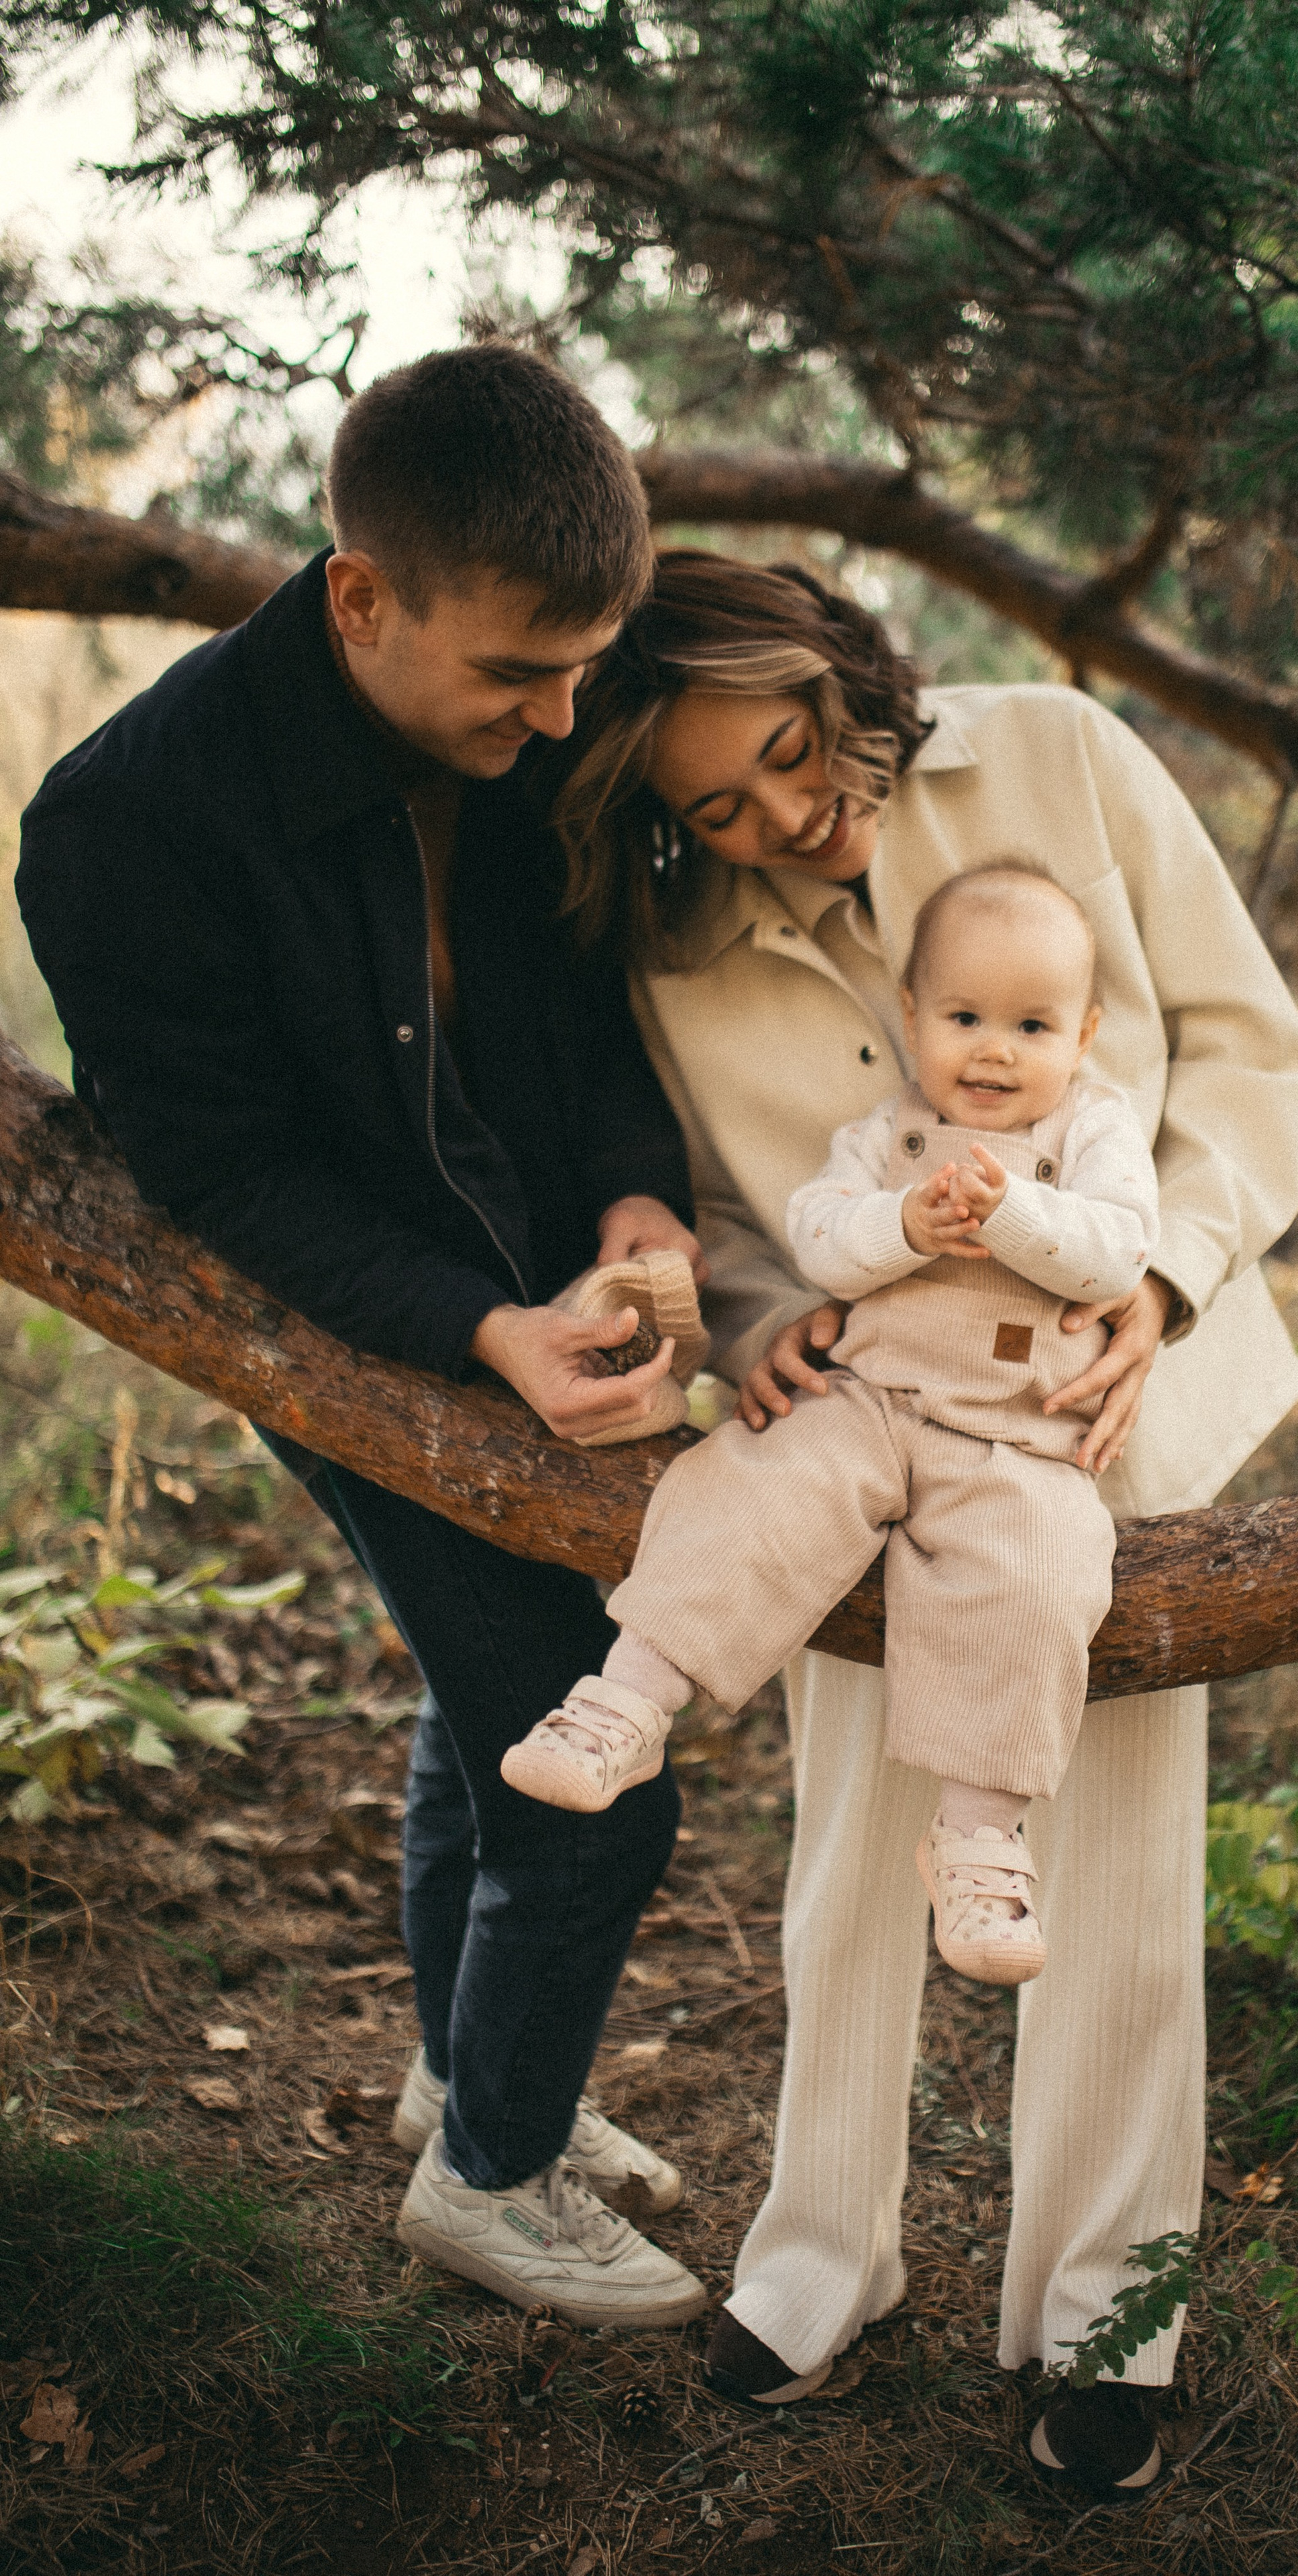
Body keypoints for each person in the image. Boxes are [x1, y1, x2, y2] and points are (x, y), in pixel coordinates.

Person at [540, 550, 1298, 2498]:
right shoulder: (679, 945)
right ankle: (819, 2266)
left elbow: (1249, 1052)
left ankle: (1107, 2321)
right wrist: (755, 1321)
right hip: (850, 1445)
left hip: (1101, 1432)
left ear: (840, 659)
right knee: (849, 1867)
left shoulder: (1062, 752)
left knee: (1111, 1886)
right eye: (721, 802)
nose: (793, 818)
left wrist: (1169, 1281)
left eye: (803, 753)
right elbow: (726, 1216)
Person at [17, 345, 712, 2330]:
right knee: (597, 1778)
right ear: (359, 595)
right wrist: (482, 1326)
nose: (565, 716)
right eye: (518, 678)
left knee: (478, 1712)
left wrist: (638, 1206)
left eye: (585, 669)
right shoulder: (124, 825)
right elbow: (221, 1185)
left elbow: (580, 1023)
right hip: (347, 1325)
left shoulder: (531, 723)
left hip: (535, 1279)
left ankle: (464, 2074)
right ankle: (489, 2184)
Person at [501, 861, 1160, 1992]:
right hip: (868, 1401)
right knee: (751, 1483)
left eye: (1031, 1025)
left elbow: (1118, 1250)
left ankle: (981, 1841)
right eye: (963, 1019)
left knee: (1042, 1578)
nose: (994, 1051)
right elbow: (820, 1241)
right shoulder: (887, 1137)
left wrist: (1011, 1212)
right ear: (911, 1019)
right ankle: (625, 1700)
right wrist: (907, 1221)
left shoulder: (1094, 1134)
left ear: (1086, 1034)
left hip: (1012, 1436)